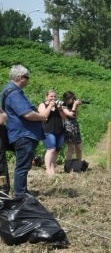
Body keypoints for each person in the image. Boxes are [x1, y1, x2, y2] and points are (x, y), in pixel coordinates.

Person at [1, 65, 52, 197]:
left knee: (23, 165)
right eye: (26, 78)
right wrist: (42, 117)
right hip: (23, 134)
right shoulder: (13, 93)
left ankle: (22, 191)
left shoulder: (11, 91)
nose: (28, 81)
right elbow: (27, 114)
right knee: (22, 166)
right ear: (19, 77)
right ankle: (20, 194)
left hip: (22, 133)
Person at [40, 89, 66, 176]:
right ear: (46, 97)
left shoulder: (58, 106)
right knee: (51, 149)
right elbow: (43, 116)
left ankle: (53, 169)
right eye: (51, 96)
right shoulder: (43, 105)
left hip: (59, 130)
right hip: (47, 130)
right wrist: (50, 106)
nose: (53, 98)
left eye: (55, 96)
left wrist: (60, 109)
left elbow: (64, 117)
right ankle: (48, 170)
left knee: (56, 151)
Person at [60, 91, 85, 172]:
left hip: (75, 126)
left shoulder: (72, 106)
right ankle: (68, 167)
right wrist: (75, 105)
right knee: (71, 148)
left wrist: (76, 106)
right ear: (66, 99)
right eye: (69, 98)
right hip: (68, 127)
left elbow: (75, 115)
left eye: (72, 98)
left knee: (79, 148)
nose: (71, 100)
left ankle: (79, 166)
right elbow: (70, 115)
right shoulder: (63, 106)